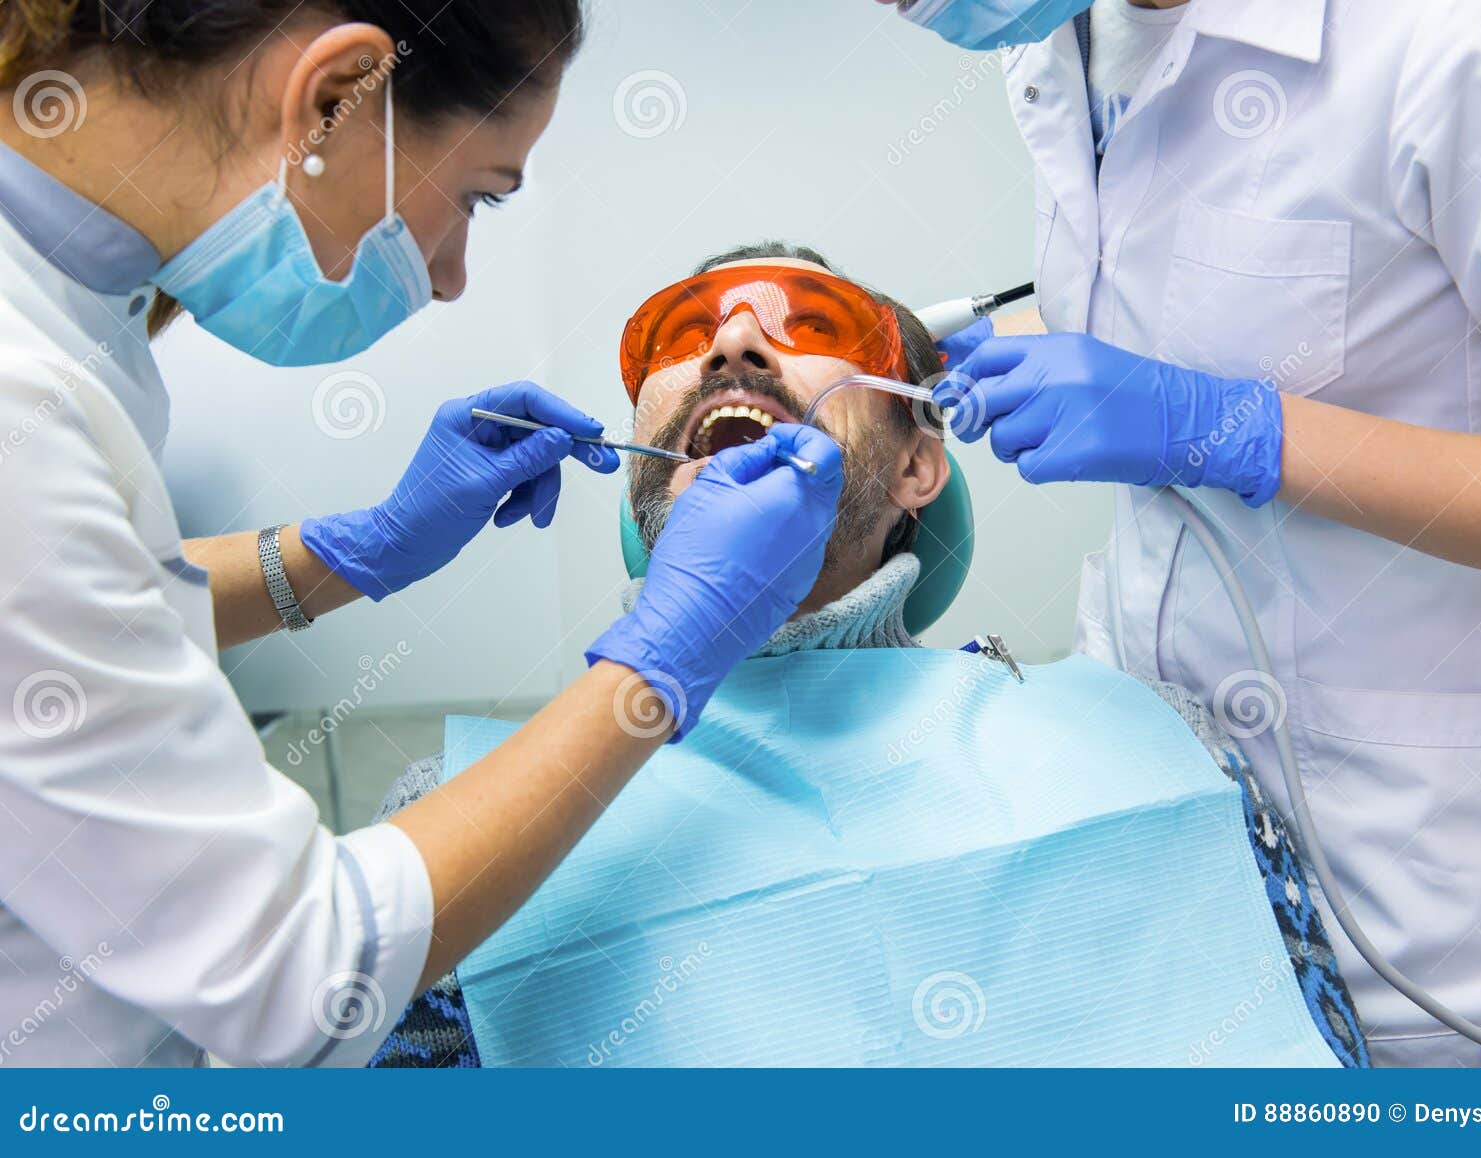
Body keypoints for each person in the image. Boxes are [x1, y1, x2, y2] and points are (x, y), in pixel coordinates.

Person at [0, 2, 843, 1066]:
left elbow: (82, 614)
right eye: (478, 199)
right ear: (336, 92)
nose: (447, 275)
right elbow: (297, 979)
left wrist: (357, 552)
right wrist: (660, 660)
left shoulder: (68, 324)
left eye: (812, 331)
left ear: (918, 460)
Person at [365, 245, 1368, 1068]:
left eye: (812, 324)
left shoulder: (1166, 746)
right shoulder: (452, 815)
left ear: (918, 465)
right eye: (688, 331)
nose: (737, 344)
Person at [887, 0, 1481, 1065]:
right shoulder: (1065, 38)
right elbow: (1200, 315)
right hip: (1155, 845)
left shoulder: (1479, 36)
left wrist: (1225, 427)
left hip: (1407, 899)